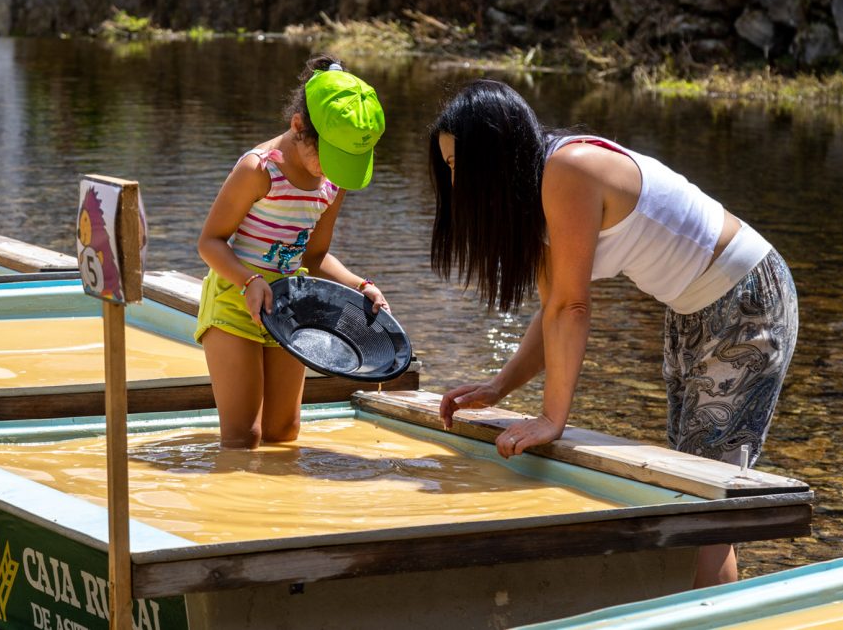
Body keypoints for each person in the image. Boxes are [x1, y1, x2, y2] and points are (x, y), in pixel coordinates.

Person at [429, 79, 798, 588]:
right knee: (694, 483)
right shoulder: (536, 193)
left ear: (494, 152)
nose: (454, 183)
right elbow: (552, 311)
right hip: (694, 309)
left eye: (458, 166)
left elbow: (573, 307)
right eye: (448, 168)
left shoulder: (568, 169)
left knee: (707, 498)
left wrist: (552, 418)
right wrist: (498, 388)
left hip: (747, 301)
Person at [195, 54, 389, 450]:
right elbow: (210, 242)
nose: (331, 171)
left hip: (289, 309)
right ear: (298, 126)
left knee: (284, 434)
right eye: (328, 158)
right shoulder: (260, 170)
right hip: (235, 303)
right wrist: (249, 280)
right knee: (242, 438)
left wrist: (360, 285)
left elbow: (314, 257)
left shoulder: (333, 181)